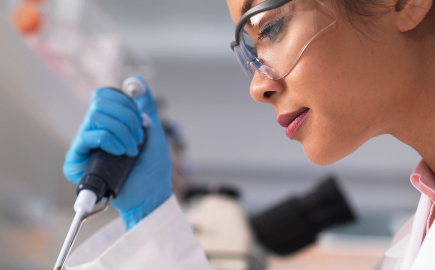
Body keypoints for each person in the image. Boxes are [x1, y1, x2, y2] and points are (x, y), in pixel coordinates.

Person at [61, 0, 435, 269]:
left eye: (271, 27)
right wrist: (149, 219)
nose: (258, 86)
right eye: (251, 52)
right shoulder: (408, 249)